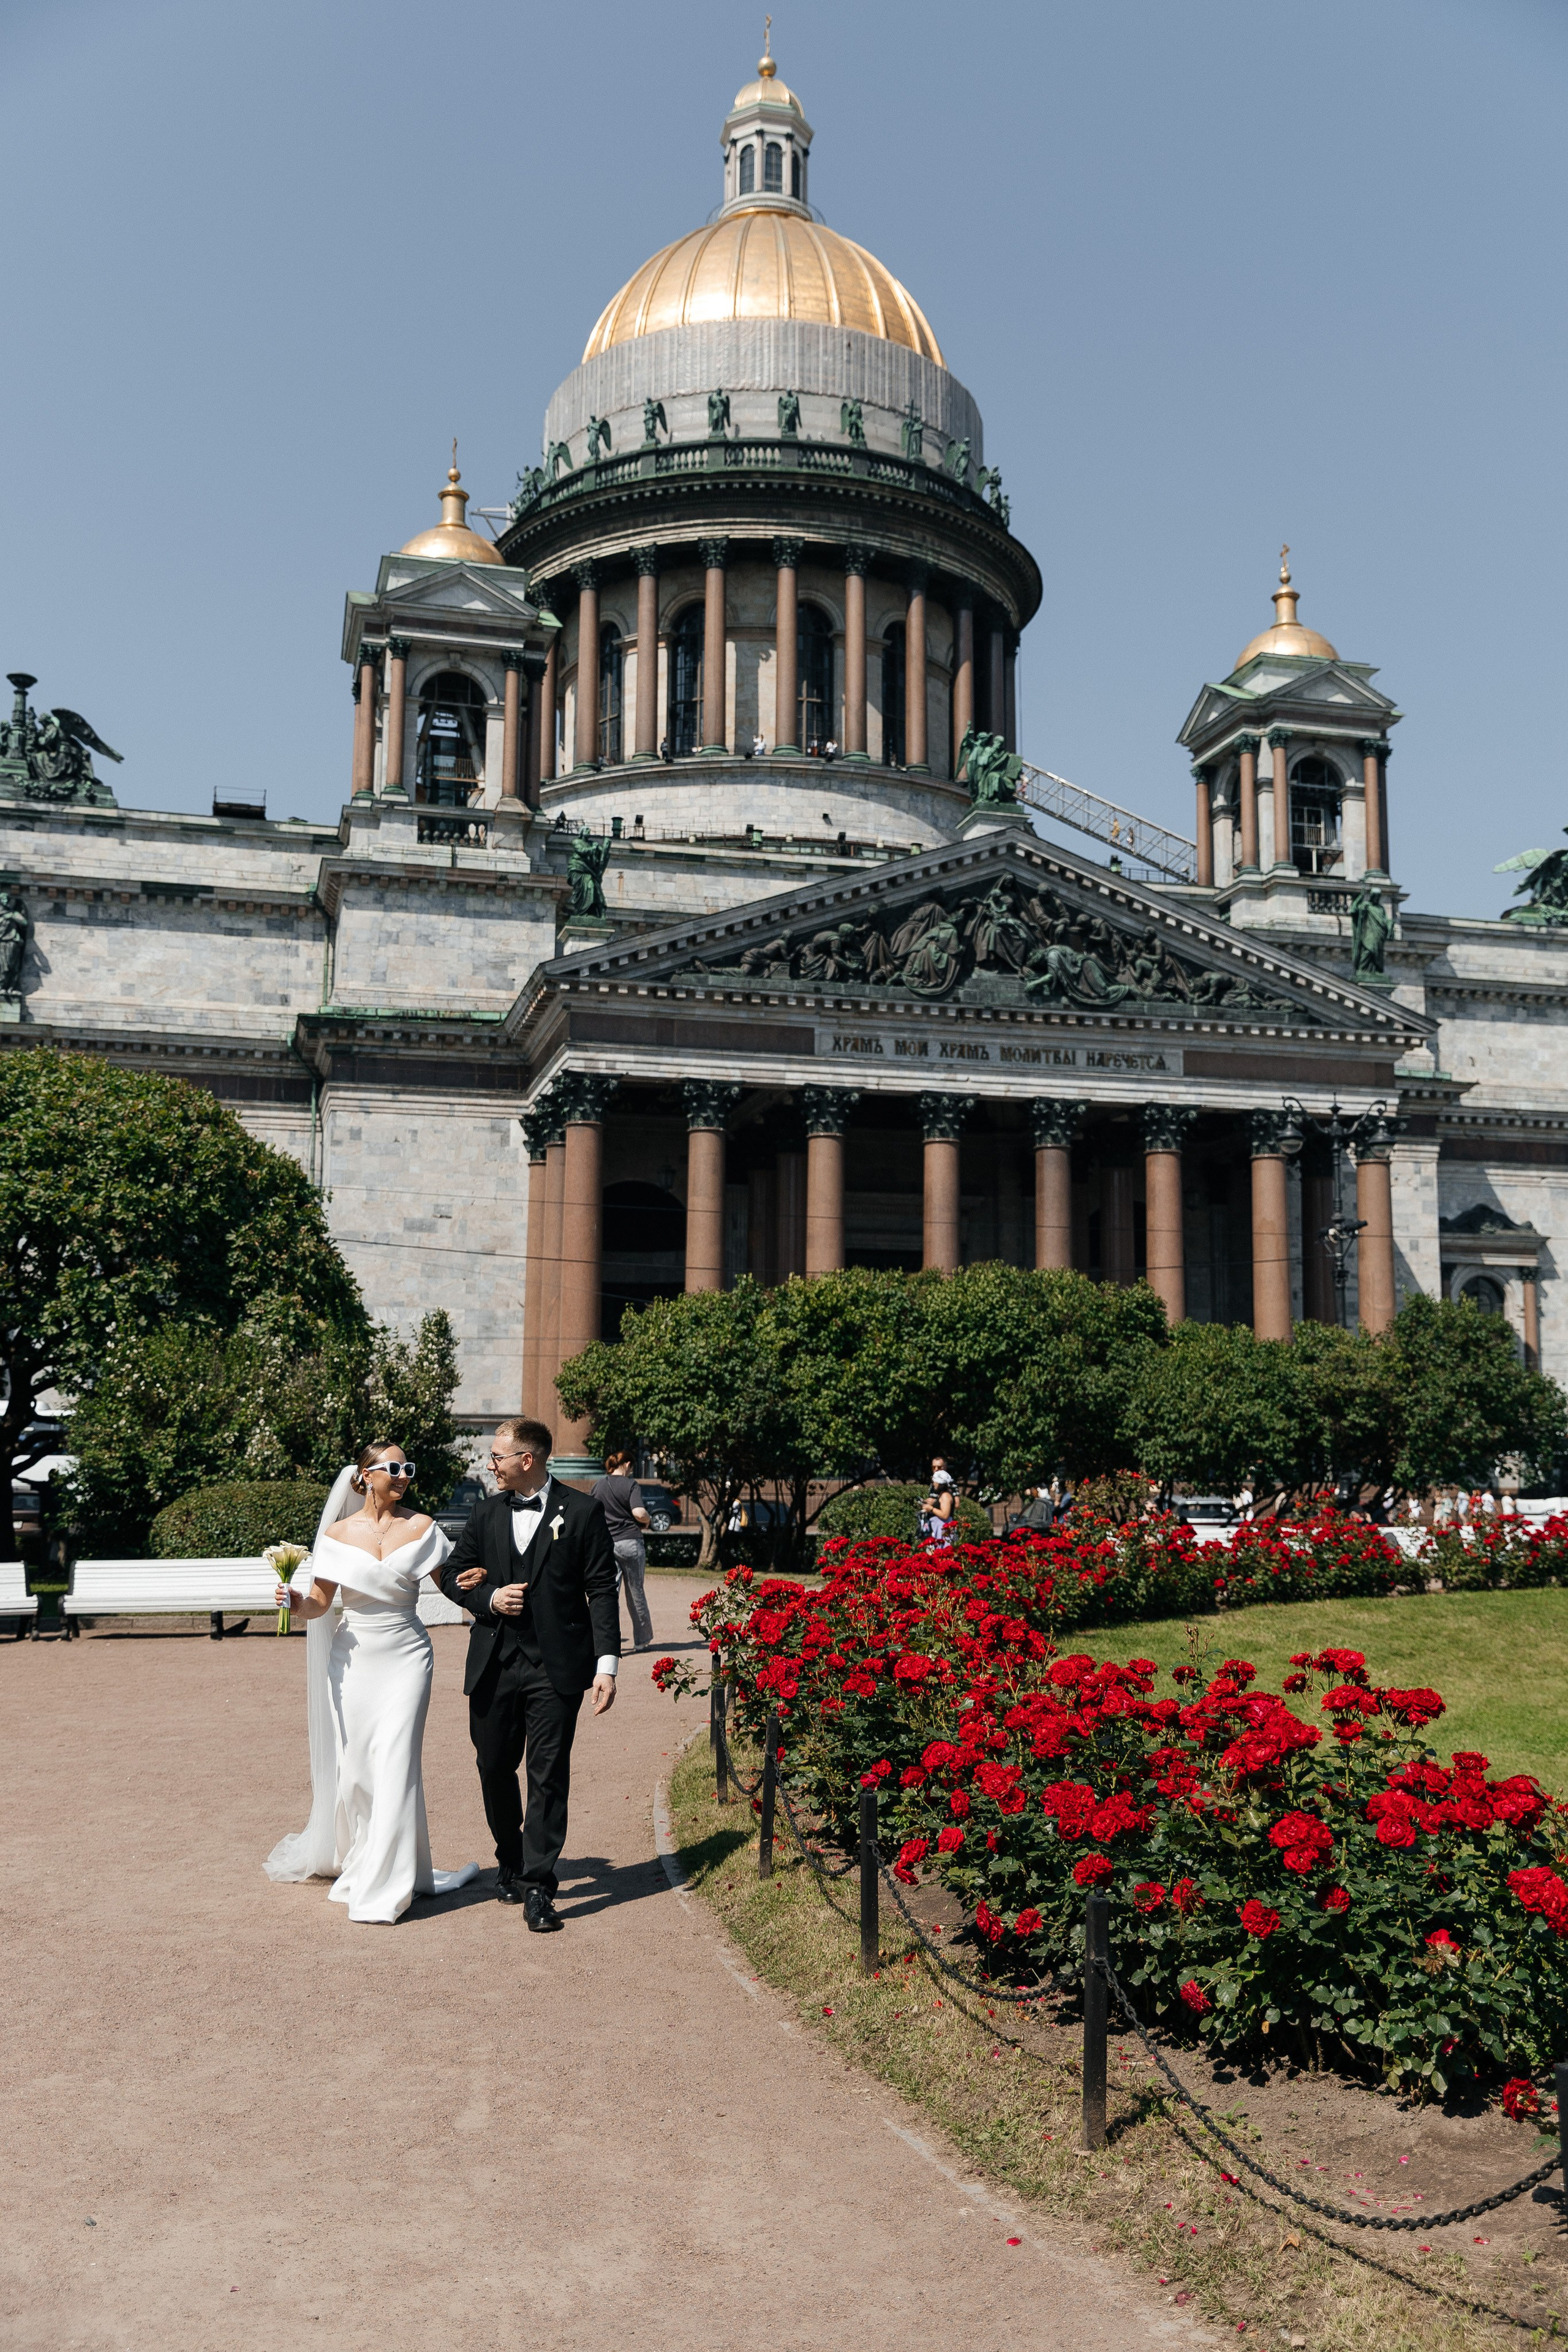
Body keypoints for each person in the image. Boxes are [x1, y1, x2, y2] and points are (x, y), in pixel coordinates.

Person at [265, 1442, 478, 1924]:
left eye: (409, 1469)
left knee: (397, 1762)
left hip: (407, 1654)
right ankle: (365, 1859)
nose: (404, 1476)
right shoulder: (337, 1535)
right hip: (353, 1658)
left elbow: (451, 1585)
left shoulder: (422, 1526)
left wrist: (476, 1585)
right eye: (394, 1468)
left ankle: (389, 1885)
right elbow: (321, 1602)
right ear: (365, 1475)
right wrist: (294, 1603)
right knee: (359, 1769)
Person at [437, 1417, 619, 1932]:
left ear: (528, 1459)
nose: (489, 1464)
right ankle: (509, 1858)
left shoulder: (582, 1512)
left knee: (547, 1776)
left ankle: (539, 1887)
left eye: (497, 1456)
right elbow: (452, 1576)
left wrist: (607, 1665)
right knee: (494, 1767)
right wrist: (487, 1599)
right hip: (493, 1664)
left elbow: (602, 1590)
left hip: (556, 1670)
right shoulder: (485, 1511)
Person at [592, 1448, 654, 1652]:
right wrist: (648, 1519)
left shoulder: (599, 1485)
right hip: (630, 1542)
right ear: (627, 1465)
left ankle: (609, 1641)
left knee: (610, 1593)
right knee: (636, 1592)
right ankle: (641, 1640)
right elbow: (639, 1512)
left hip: (607, 1544)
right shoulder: (631, 1484)